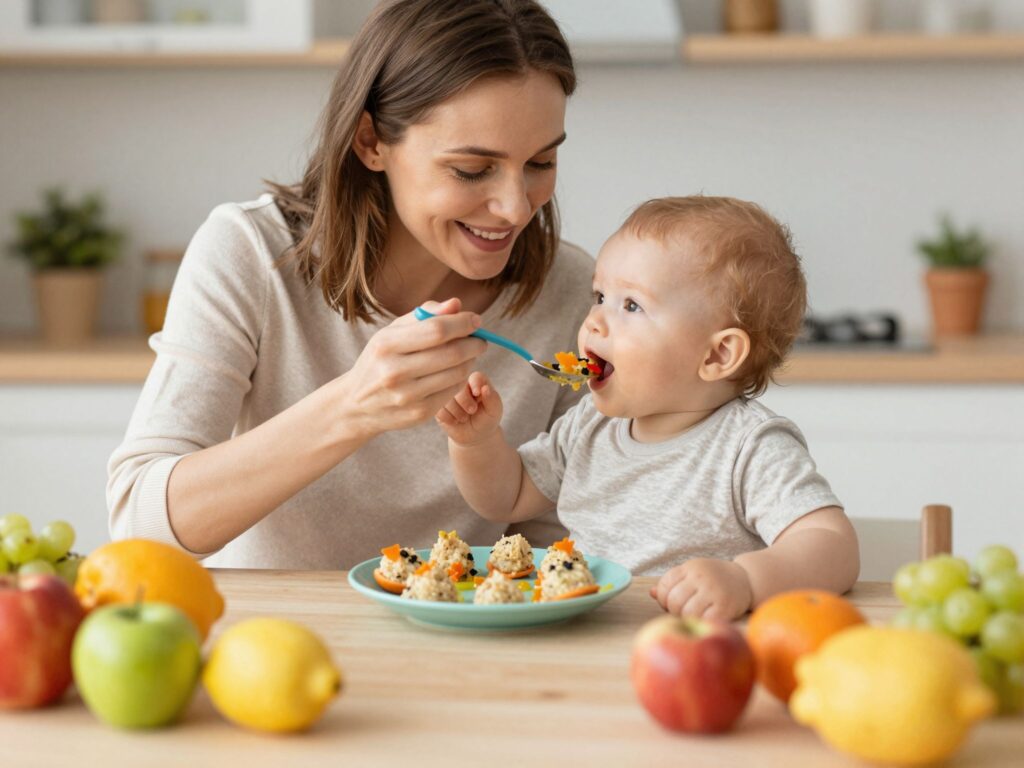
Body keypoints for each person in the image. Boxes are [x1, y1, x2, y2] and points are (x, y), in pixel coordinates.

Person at [107, 0, 595, 568]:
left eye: (540, 163)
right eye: (471, 170)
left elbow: (555, 540)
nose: (515, 208)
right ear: (371, 142)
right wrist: (354, 407)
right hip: (271, 646)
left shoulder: (575, 292)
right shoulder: (251, 255)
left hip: (470, 646)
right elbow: (140, 524)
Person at [437, 196, 860, 619]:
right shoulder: (589, 425)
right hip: (589, 636)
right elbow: (506, 499)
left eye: (631, 305)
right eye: (600, 295)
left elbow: (833, 545)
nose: (595, 321)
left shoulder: (749, 447)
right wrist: (476, 442)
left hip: (694, 650)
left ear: (717, 356)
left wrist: (746, 581)